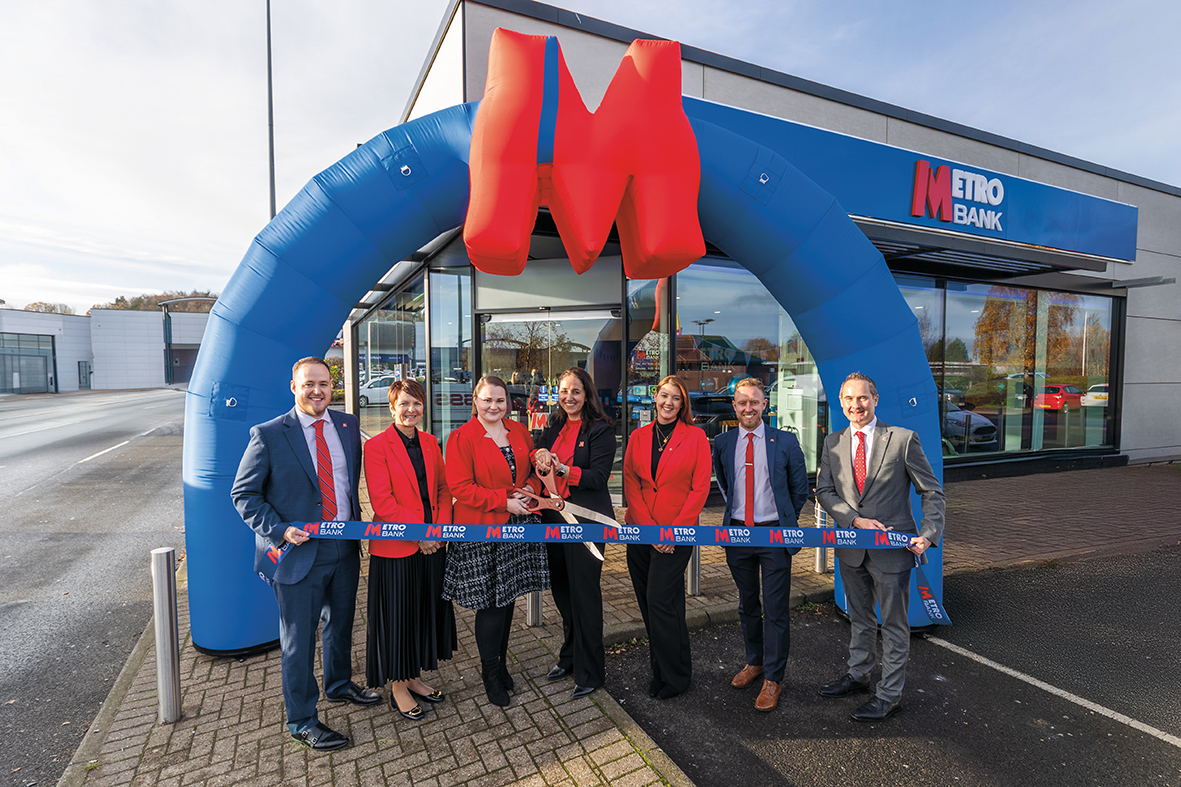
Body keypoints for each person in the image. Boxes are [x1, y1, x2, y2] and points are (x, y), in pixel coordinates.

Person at [231, 357, 380, 752]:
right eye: (309, 384)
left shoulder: (347, 426)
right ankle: (301, 720)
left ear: (333, 387)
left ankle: (339, 684)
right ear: (294, 387)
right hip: (297, 553)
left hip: (344, 546)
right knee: (298, 642)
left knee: (341, 623)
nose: (317, 391)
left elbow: (347, 485)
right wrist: (279, 530)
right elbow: (243, 494)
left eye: (324, 384)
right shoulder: (268, 434)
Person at [815, 372, 945, 722]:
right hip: (851, 547)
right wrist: (854, 520)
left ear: (875, 399)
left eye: (862, 398)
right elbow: (824, 490)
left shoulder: (902, 439)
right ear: (840, 403)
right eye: (848, 399)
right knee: (859, 618)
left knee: (893, 625)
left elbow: (932, 491)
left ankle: (889, 695)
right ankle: (858, 676)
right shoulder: (833, 442)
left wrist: (929, 533)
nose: (855, 405)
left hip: (892, 551)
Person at [443, 375, 548, 707]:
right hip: (483, 529)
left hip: (517, 525)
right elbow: (460, 487)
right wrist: (504, 502)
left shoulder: (519, 431)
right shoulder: (462, 437)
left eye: (500, 400)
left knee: (508, 598)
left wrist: (531, 488)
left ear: (508, 403)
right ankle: (490, 673)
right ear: (475, 401)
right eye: (487, 400)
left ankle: (501, 665)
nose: (493, 406)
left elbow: (531, 471)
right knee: (490, 604)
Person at [712, 378, 809, 712]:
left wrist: (784, 519)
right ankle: (754, 662)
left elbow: (799, 489)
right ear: (734, 406)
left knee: (776, 608)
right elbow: (724, 482)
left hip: (774, 536)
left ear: (765, 404)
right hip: (737, 534)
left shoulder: (785, 441)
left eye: (754, 402)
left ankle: (773, 678)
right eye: (742, 403)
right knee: (747, 604)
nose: (748, 408)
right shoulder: (722, 442)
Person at [363, 379, 457, 722]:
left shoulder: (430, 442)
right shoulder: (376, 447)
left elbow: (443, 490)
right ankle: (398, 687)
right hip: (397, 548)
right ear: (392, 408)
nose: (411, 410)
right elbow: (382, 502)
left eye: (416, 403)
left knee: (422, 613)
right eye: (404, 404)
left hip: (433, 545)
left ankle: (413, 677)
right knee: (399, 618)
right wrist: (420, 534)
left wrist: (439, 530)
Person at [531, 367, 618, 700]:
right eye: (564, 391)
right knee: (563, 593)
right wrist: (540, 454)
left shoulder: (601, 430)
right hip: (553, 520)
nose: (569, 397)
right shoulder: (553, 424)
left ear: (587, 394)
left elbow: (598, 477)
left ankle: (591, 671)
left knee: (584, 596)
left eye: (576, 391)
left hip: (586, 521)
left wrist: (564, 469)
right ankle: (569, 658)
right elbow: (537, 452)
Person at [622, 374, 711, 699]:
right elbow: (631, 482)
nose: (668, 403)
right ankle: (662, 670)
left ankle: (675, 677)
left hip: (677, 534)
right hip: (640, 531)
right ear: (655, 397)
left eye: (676, 397)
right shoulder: (638, 436)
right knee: (655, 605)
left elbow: (700, 488)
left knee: (659, 601)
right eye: (664, 396)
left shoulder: (696, 436)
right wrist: (649, 530)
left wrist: (672, 532)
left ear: (682, 403)